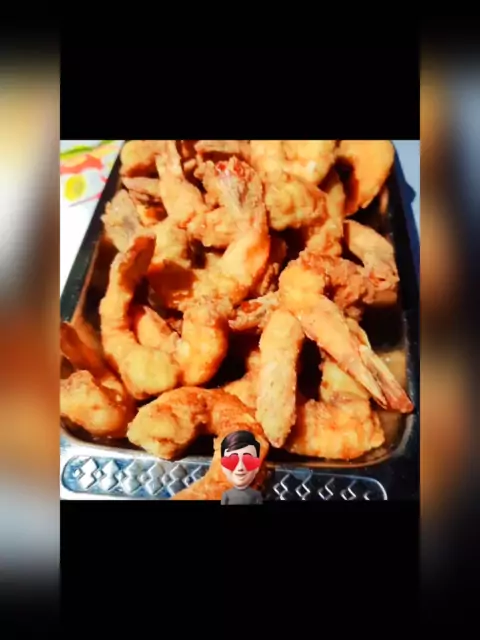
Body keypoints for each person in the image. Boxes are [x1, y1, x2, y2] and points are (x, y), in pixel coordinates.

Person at [220, 430, 263, 505]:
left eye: (248, 460)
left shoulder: (256, 495)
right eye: (232, 461)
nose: (240, 467)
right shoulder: (226, 495)